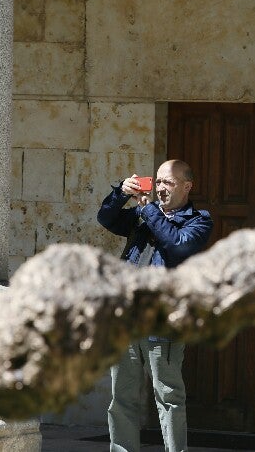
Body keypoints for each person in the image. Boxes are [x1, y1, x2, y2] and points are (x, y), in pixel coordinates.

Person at [97, 159, 213, 452]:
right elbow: (106, 219)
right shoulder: (142, 215)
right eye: (158, 181)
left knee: (169, 398)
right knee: (121, 399)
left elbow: (177, 246)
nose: (161, 188)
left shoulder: (199, 221)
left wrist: (148, 210)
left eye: (168, 183)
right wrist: (121, 193)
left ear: (187, 186)